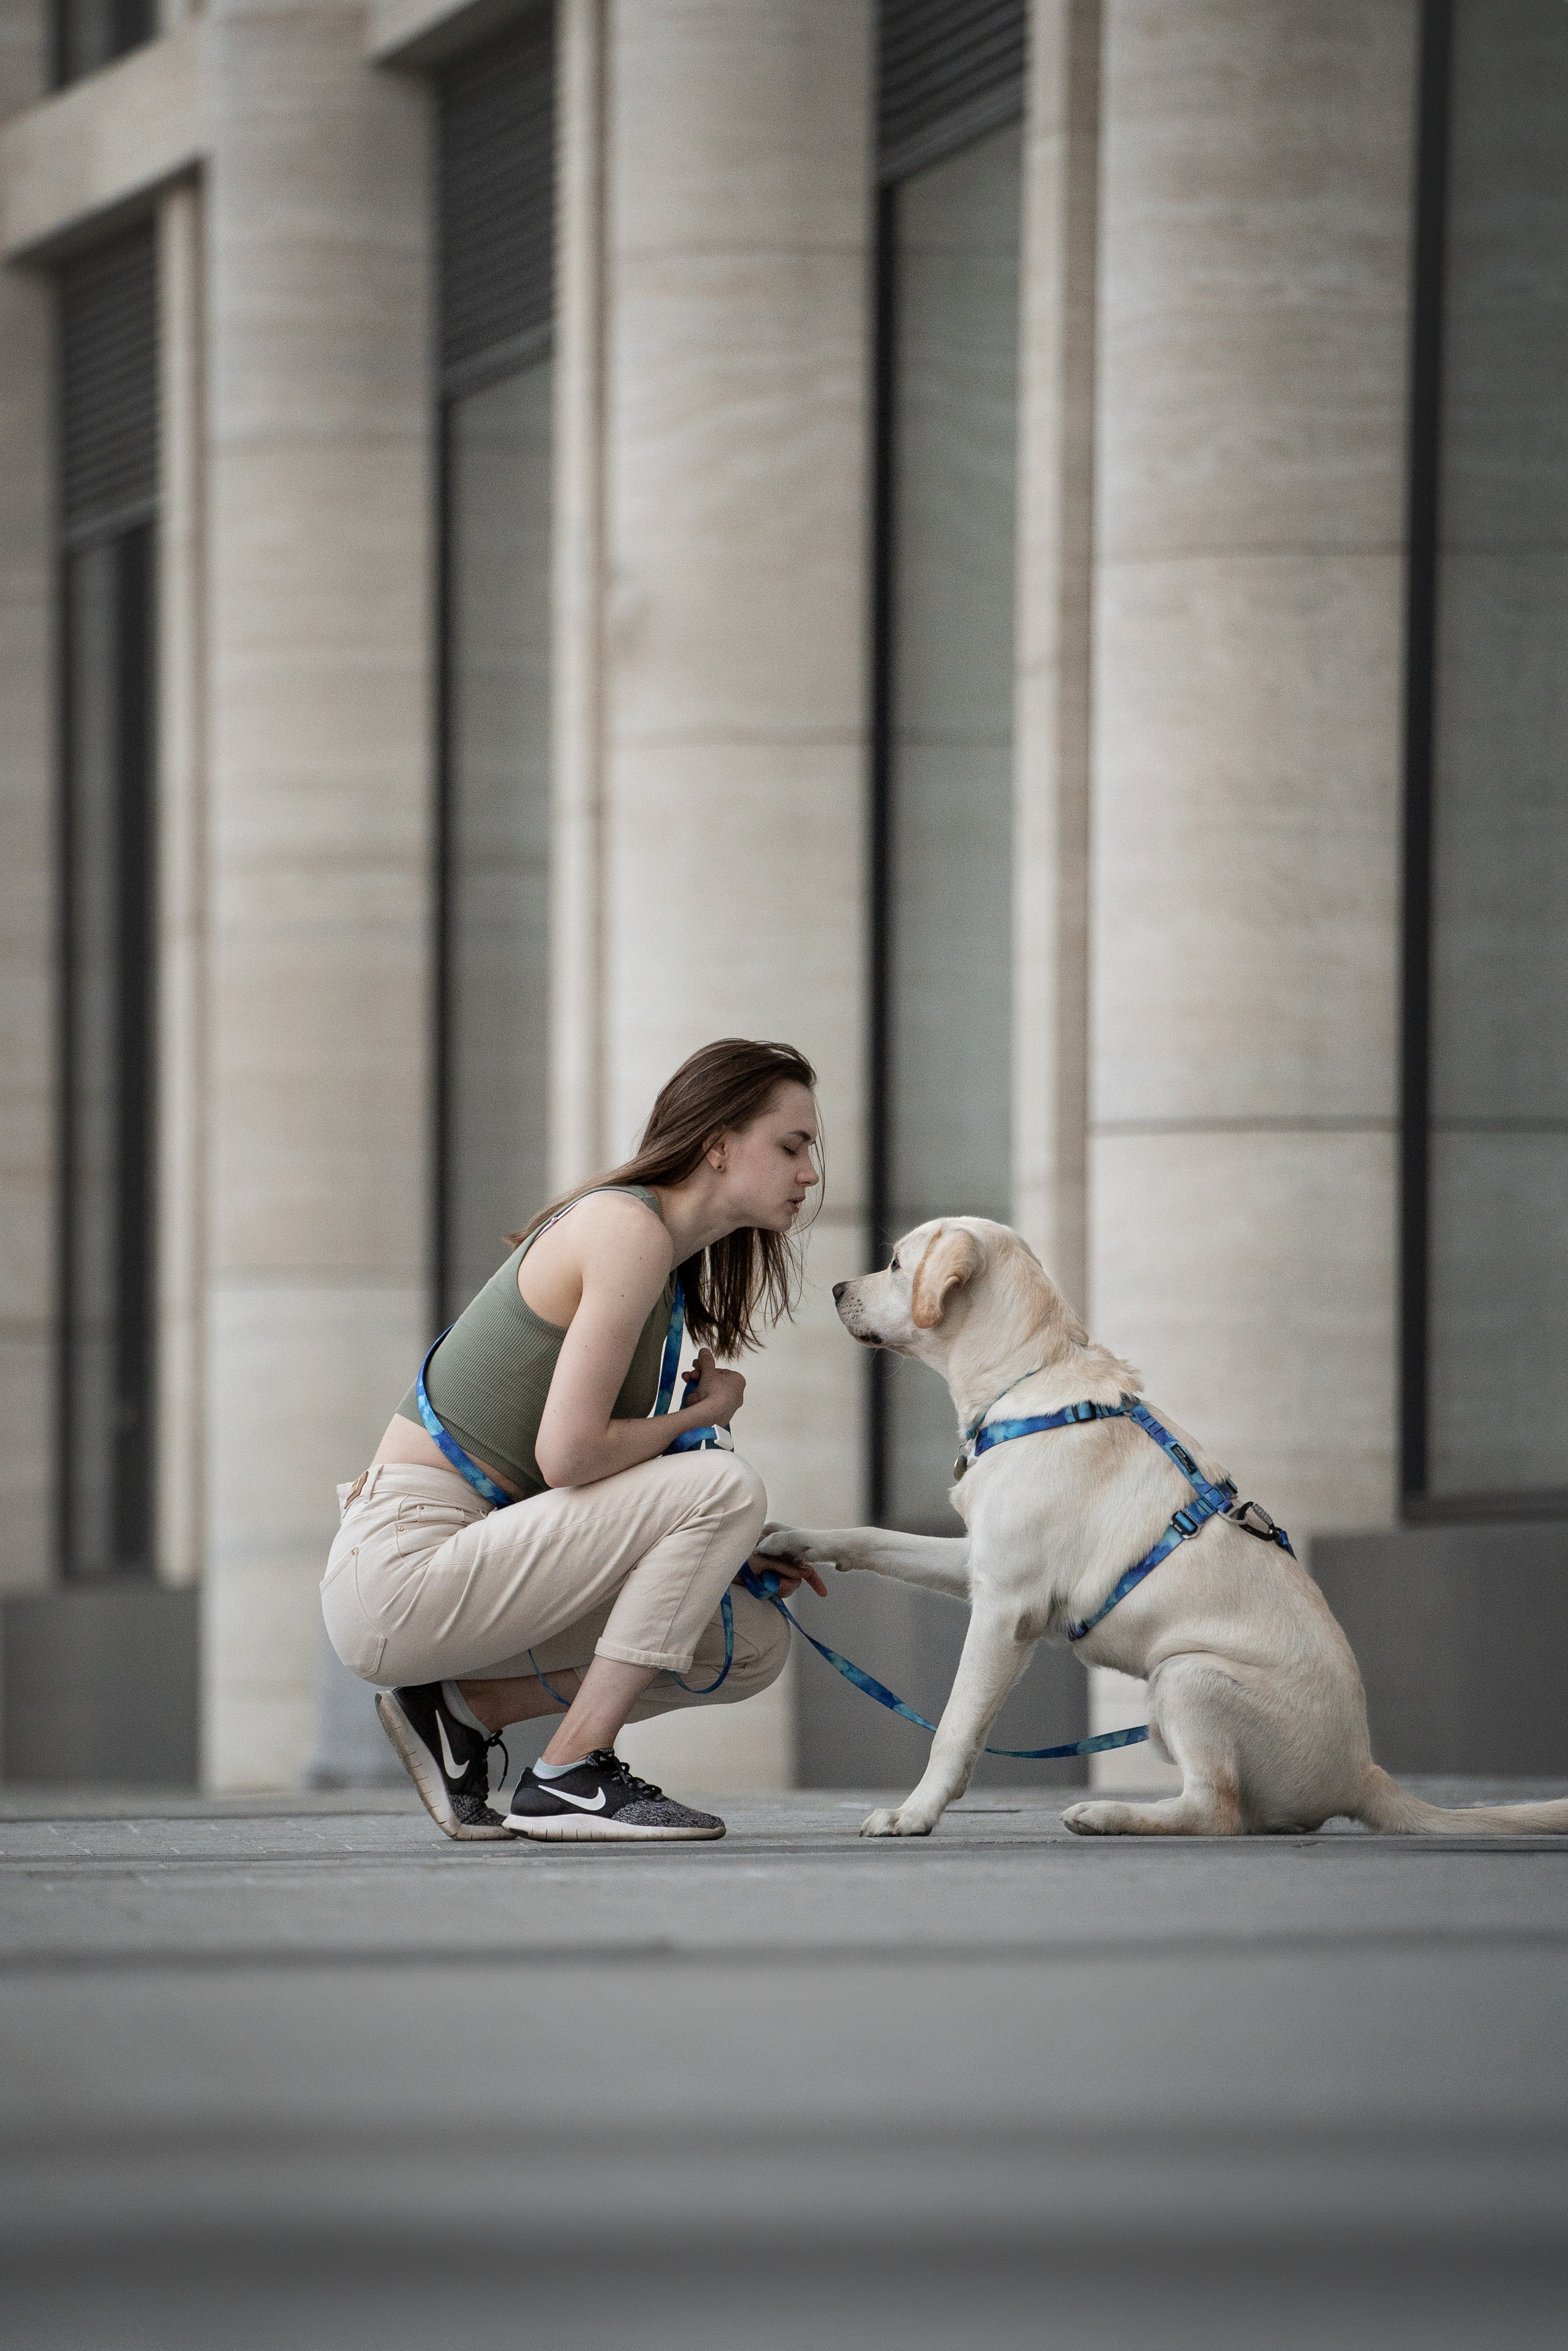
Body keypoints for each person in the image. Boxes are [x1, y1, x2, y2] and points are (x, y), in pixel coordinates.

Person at [321, 1037, 828, 1844]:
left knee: (748, 1639)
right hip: (401, 1570)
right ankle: (571, 1772)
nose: (811, 1174)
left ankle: (461, 1713)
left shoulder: (660, 1263)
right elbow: (571, 1456)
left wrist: (721, 1550)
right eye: (793, 1145)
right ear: (720, 1145)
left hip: (475, 1557)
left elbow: (577, 1484)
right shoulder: (628, 1229)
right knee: (725, 1486)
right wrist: (705, 1415)